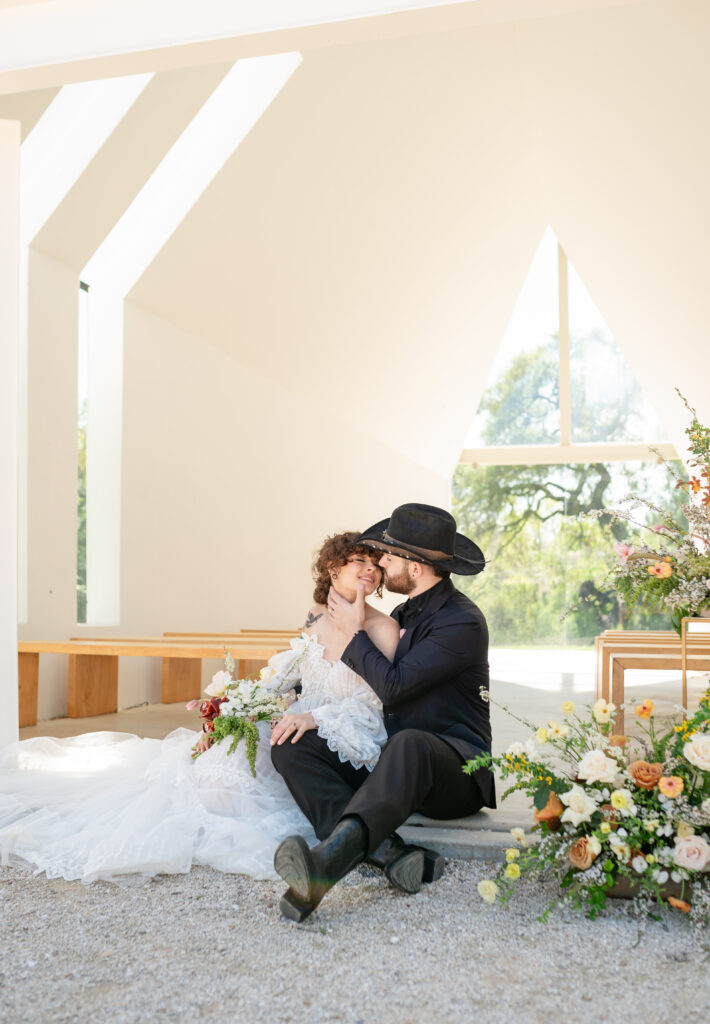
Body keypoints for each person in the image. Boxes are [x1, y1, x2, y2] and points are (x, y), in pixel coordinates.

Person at [0, 533, 401, 885]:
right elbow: (287, 674)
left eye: (374, 565)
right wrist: (240, 703)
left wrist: (313, 717)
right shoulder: (316, 619)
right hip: (295, 721)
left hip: (344, 731)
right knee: (218, 767)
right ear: (333, 569)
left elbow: (374, 706)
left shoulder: (382, 629)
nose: (370, 571)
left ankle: (339, 846)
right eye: (358, 562)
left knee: (250, 769)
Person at [272, 503, 495, 921]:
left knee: (410, 744)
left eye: (389, 555)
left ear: (415, 566)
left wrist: (354, 631)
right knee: (291, 747)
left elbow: (392, 690)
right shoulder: (404, 612)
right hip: (396, 762)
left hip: (456, 770)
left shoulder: (461, 621)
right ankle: (395, 856)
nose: (381, 562)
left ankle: (321, 868)